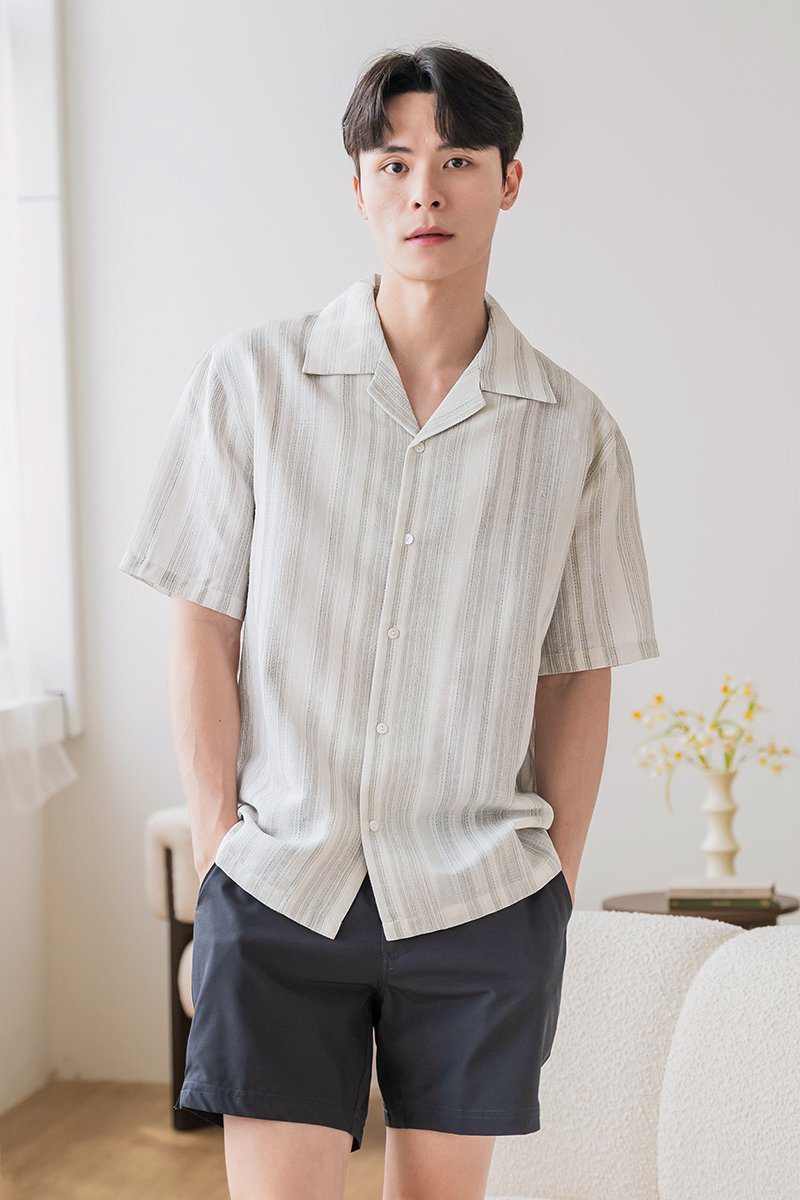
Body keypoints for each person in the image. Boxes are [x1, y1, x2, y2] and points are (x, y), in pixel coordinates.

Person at [120, 41, 660, 1200]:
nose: (425, 190)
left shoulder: (573, 432)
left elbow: (577, 670)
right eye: (395, 161)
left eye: (457, 159)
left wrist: (553, 884)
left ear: (508, 181)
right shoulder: (249, 383)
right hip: (279, 886)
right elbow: (202, 624)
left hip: (480, 898)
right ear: (357, 185)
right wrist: (217, 854)